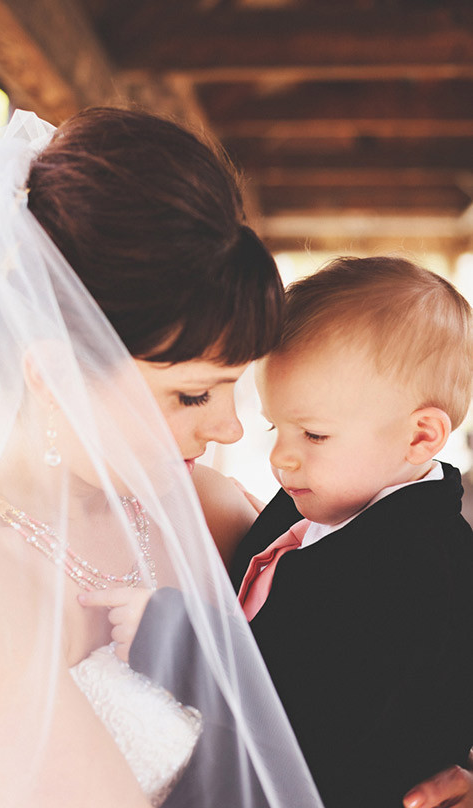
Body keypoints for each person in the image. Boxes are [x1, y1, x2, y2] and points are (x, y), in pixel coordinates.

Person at [0, 107, 322, 808]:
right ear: (55, 376)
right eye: (193, 395)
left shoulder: (211, 513)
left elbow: (349, 679)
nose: (231, 430)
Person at [233, 256, 473, 808]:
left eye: (313, 434)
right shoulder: (316, 501)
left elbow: (326, 712)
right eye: (275, 427)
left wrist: (174, 636)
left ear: (421, 436)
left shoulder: (422, 567)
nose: (280, 457)